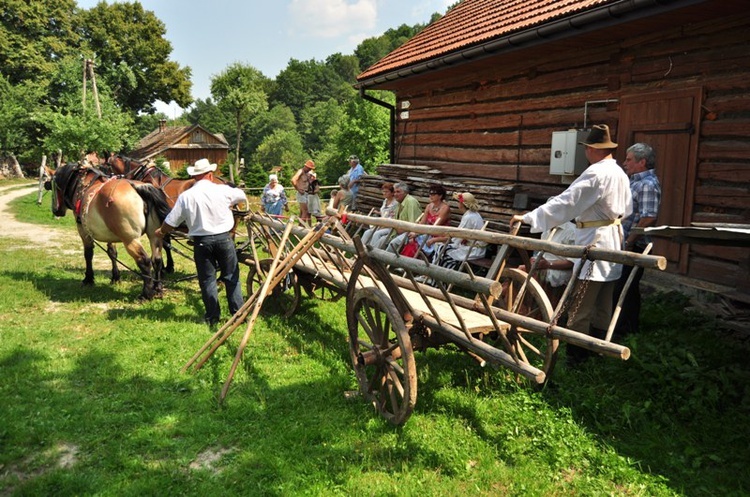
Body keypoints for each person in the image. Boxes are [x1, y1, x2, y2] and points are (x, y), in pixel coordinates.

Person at [511, 124, 632, 365]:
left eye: (586, 148)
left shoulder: (597, 173)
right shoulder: (619, 172)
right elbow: (627, 209)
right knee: (603, 304)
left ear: (591, 149)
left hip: (596, 241)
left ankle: (577, 358)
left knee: (581, 305)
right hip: (613, 241)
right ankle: (598, 351)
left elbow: (567, 202)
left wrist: (529, 217)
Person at [155, 158, 248, 328]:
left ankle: (213, 317)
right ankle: (238, 314)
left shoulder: (186, 196)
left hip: (202, 242)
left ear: (195, 177)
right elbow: (241, 195)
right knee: (231, 277)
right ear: (210, 175)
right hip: (224, 238)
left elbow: (172, 220)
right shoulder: (223, 190)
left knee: (207, 280)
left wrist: (161, 232)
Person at [614, 142, 661, 337]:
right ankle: (628, 328)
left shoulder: (648, 184)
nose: (625, 162)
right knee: (626, 287)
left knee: (624, 287)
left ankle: (624, 330)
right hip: (626, 242)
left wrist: (630, 240)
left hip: (635, 245)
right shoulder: (634, 181)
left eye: (629, 159)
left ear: (642, 162)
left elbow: (649, 216)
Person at [386, 184, 450, 257]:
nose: (430, 196)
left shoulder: (445, 208)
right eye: (430, 193)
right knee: (409, 241)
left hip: (438, 234)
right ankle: (403, 264)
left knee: (413, 241)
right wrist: (414, 232)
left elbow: (435, 226)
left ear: (440, 196)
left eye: (433, 194)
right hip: (426, 232)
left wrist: (417, 234)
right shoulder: (429, 206)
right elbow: (422, 222)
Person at [433, 192, 486, 270]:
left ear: (462, 204)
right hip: (473, 247)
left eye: (458, 202)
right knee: (441, 247)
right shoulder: (473, 214)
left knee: (441, 249)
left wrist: (437, 240)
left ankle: (438, 274)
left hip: (474, 250)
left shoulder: (469, 217)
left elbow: (457, 236)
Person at [361, 182, 398, 249]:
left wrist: (382, 223)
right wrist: (378, 213)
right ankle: (361, 249)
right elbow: (385, 213)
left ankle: (371, 252)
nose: (384, 193)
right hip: (381, 224)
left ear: (392, 193)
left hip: (389, 227)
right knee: (367, 232)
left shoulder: (396, 204)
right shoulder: (385, 201)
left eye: (386, 192)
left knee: (376, 234)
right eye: (383, 191)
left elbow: (392, 217)